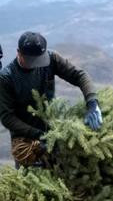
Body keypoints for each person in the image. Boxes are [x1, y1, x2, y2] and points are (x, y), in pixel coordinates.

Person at [0, 31, 102, 165]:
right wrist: (38, 135)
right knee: (33, 181)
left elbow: (79, 76)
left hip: (54, 131)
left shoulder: (50, 59)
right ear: (19, 53)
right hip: (26, 142)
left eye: (39, 59)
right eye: (32, 60)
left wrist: (92, 102)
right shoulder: (7, 78)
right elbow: (7, 118)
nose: (37, 64)